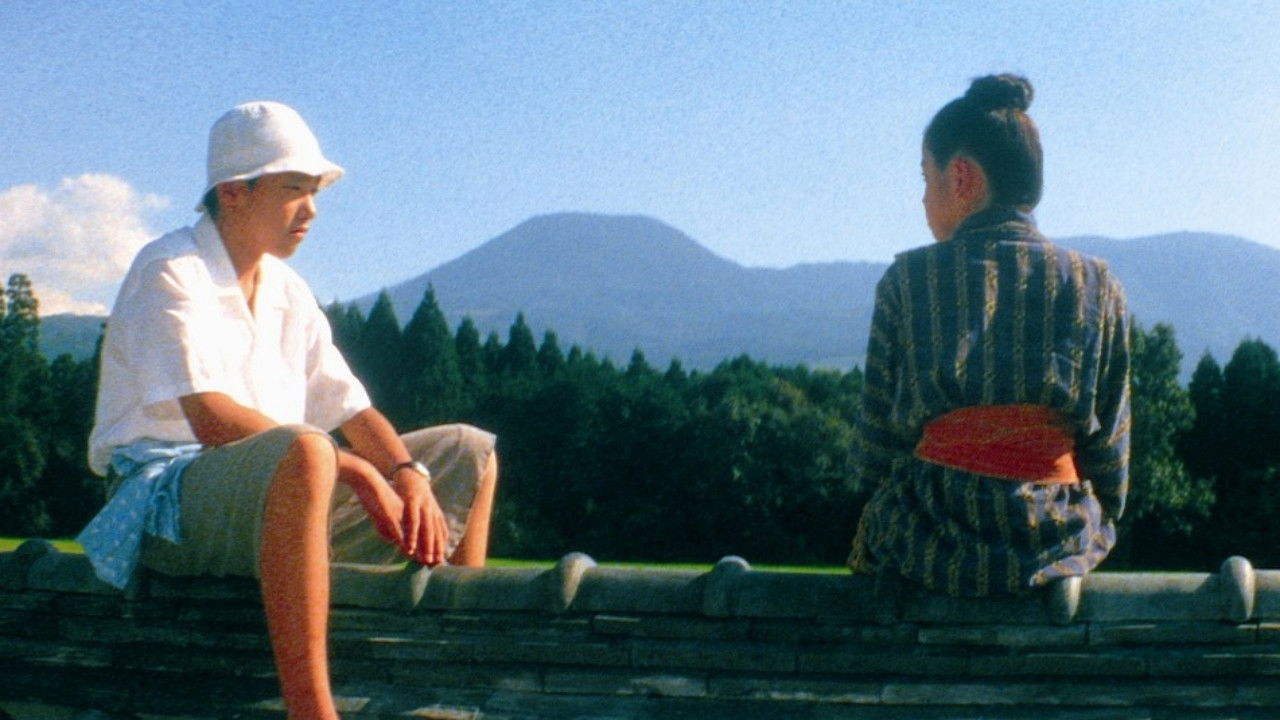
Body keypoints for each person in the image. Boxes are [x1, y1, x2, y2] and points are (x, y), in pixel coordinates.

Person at [78, 101, 499, 719]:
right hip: (168, 503)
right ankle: (312, 712)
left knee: (468, 450)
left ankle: (456, 668)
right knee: (307, 449)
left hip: (288, 493)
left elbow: (355, 412)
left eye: (314, 191)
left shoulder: (287, 289)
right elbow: (212, 420)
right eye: (294, 190)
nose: (312, 210)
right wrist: (357, 472)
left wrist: (406, 474)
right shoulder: (171, 270)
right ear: (234, 192)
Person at [847, 74, 1130, 598]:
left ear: (961, 177)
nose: (923, 199)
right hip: (1055, 539)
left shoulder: (908, 282)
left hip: (927, 532)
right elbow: (1110, 454)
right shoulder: (1096, 284)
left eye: (925, 179)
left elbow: (874, 448)